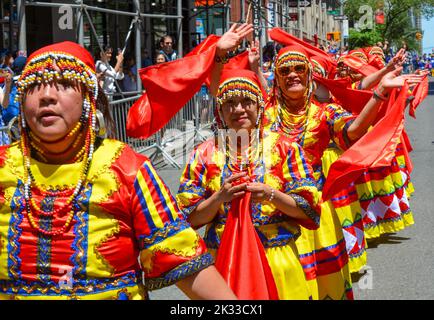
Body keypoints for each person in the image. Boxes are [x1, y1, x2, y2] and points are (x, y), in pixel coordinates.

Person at [0, 41, 238, 300]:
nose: (47, 96)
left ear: (89, 100)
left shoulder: (128, 169)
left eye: (65, 84)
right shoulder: (4, 167)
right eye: (34, 86)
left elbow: (179, 258)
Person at [263, 45, 423, 299]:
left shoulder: (325, 112)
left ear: (309, 76)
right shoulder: (264, 116)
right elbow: (228, 106)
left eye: (299, 69)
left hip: (317, 212)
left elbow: (353, 131)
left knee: (327, 285)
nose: (292, 74)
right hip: (273, 214)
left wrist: (380, 91)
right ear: (277, 78)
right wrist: (220, 58)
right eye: (285, 70)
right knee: (286, 285)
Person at [177, 67, 322, 300]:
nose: (238, 109)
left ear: (259, 106)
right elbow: (186, 220)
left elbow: (310, 211)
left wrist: (270, 194)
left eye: (247, 101)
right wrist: (218, 199)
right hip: (225, 260)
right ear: (220, 111)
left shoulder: (285, 148)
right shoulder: (203, 154)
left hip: (277, 260)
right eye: (230, 104)